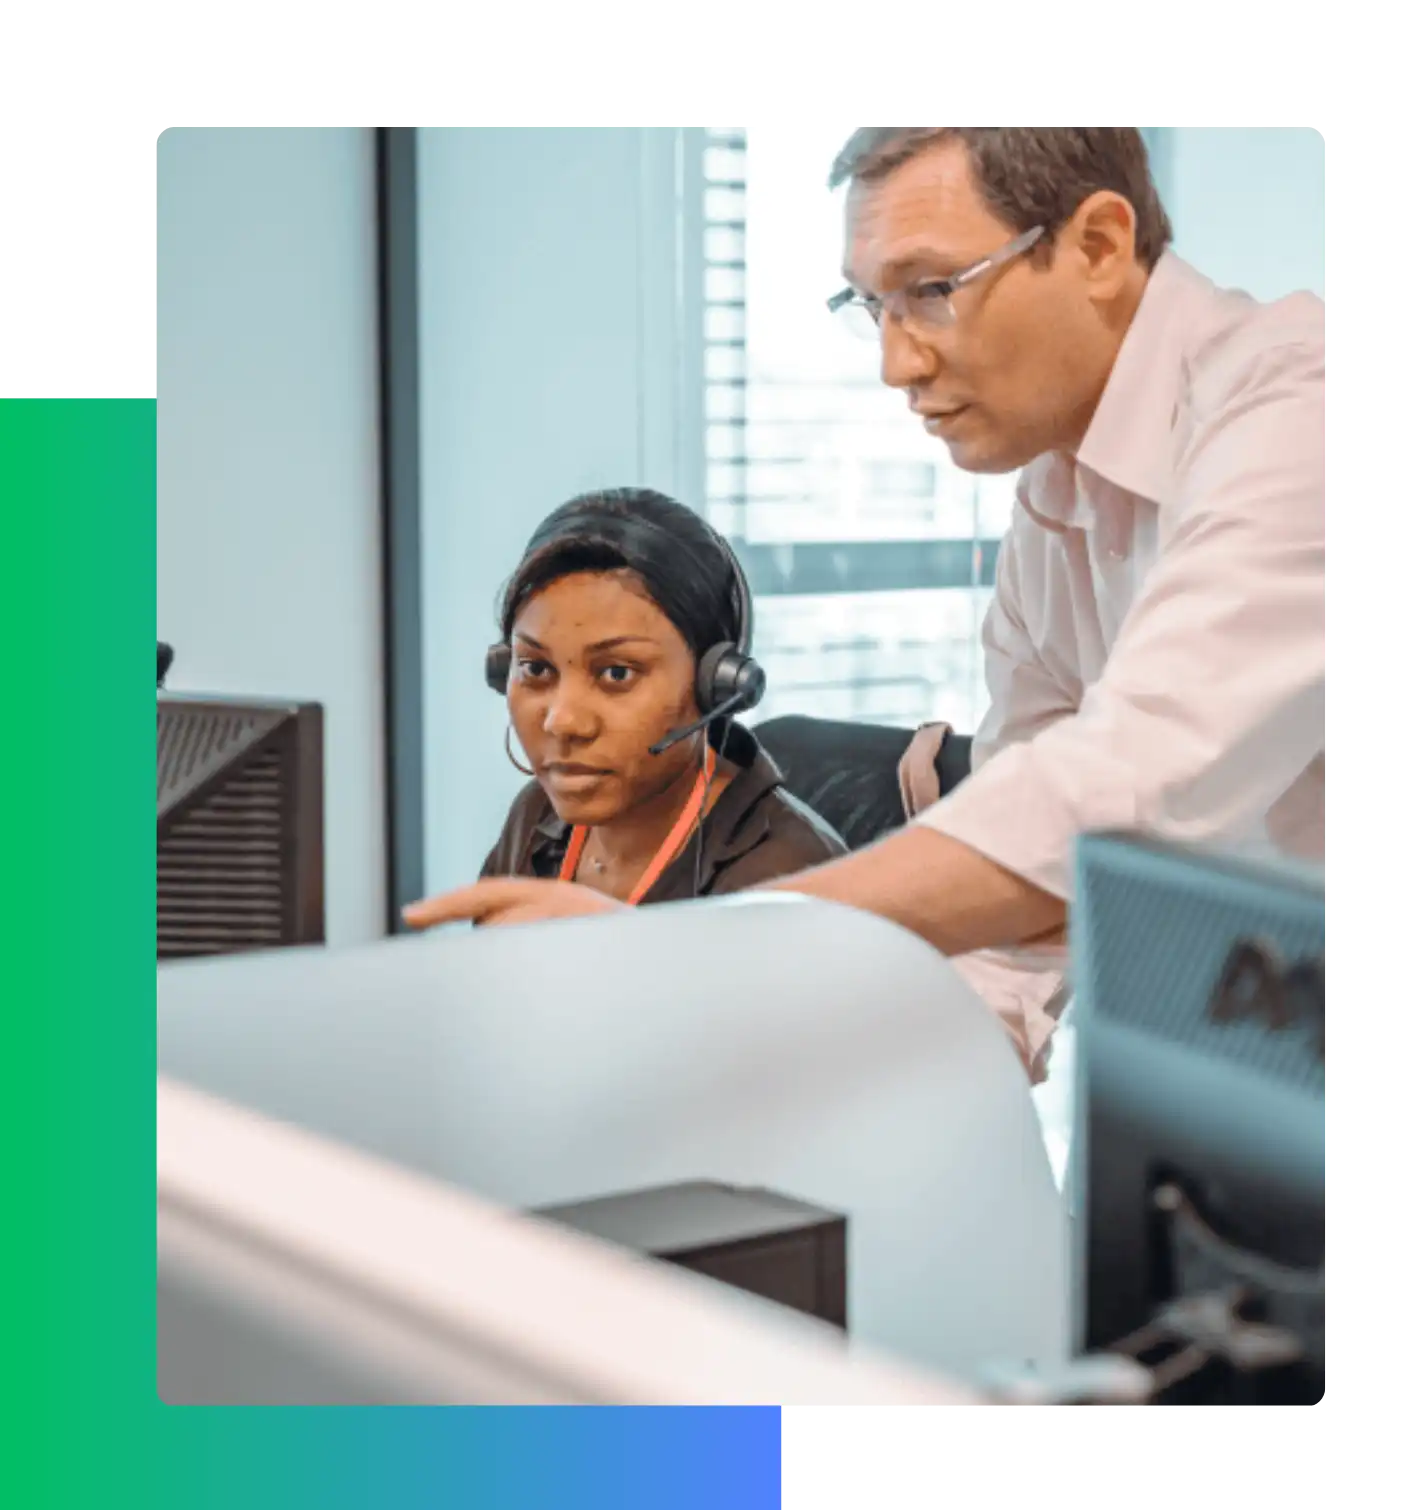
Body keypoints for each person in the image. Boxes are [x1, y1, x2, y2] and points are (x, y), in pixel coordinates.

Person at [404, 121, 1327, 1082]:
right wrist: (912, 1096)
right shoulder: (1055, 507)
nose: (895, 364)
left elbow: (1124, 787)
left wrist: (697, 957)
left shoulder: (1294, 409)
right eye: (872, 304)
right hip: (1250, 1061)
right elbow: (1024, 913)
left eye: (931, 291)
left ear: (1096, 245)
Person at [418, 487, 845, 915]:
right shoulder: (538, 813)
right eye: (536, 668)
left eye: (616, 673)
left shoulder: (787, 878)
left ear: (714, 687)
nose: (562, 722)